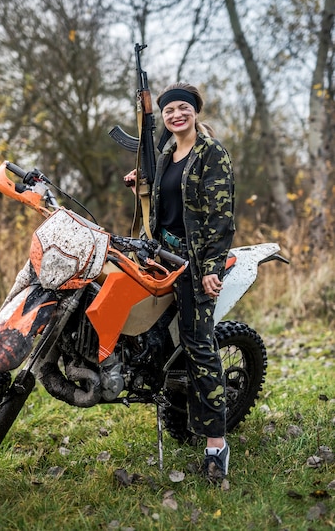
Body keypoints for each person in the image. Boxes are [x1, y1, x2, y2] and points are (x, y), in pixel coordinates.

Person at [124, 82, 235, 483]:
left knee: (198, 345)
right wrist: (143, 186)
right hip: (158, 256)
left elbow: (221, 220)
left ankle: (216, 445)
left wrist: (211, 268)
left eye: (182, 109)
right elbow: (166, 204)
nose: (175, 115)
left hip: (194, 261)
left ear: (194, 112)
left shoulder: (211, 154)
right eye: (169, 110)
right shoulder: (167, 154)